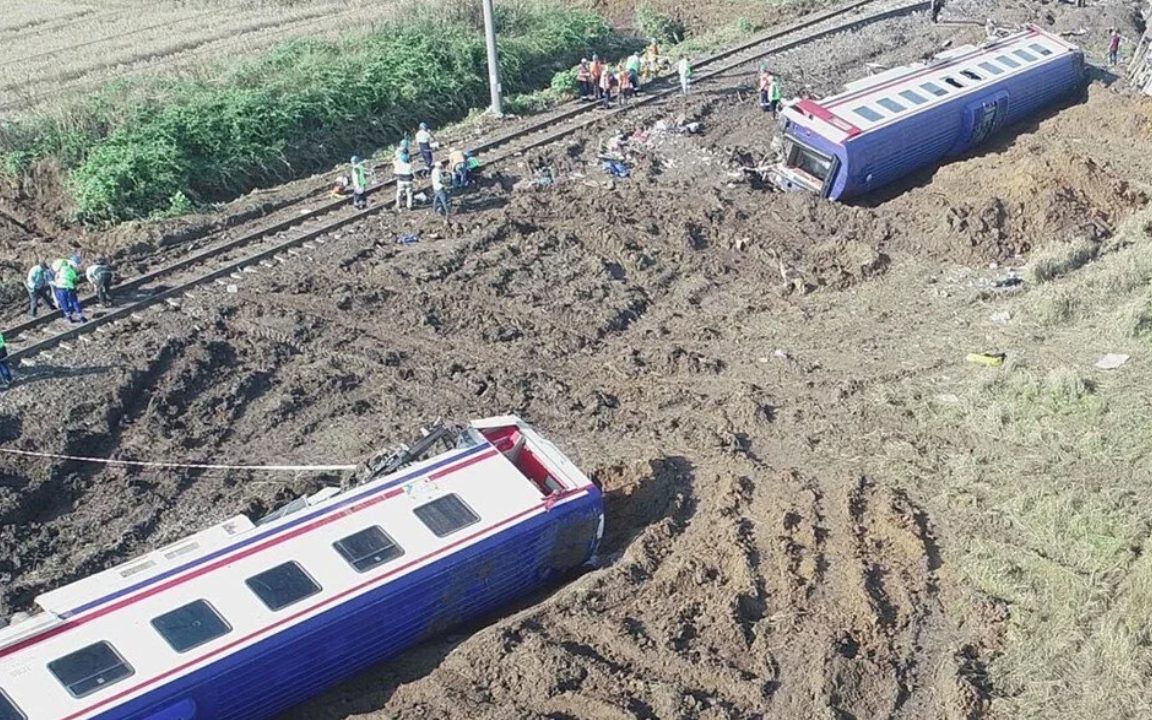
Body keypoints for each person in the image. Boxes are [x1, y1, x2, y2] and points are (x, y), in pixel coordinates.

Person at [51, 256, 86, 323]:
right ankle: (81, 317)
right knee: (74, 302)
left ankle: (69, 318)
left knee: (64, 304)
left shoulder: (60, 270)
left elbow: (55, 278)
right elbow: (74, 281)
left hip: (60, 288)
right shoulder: (71, 271)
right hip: (69, 288)